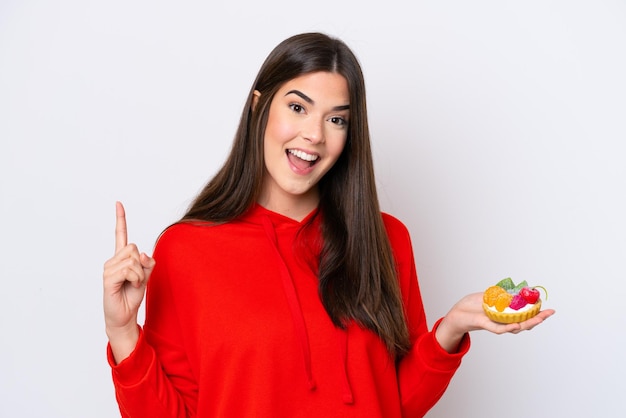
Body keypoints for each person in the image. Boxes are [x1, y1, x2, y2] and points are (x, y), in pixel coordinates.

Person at [103, 32, 554, 418]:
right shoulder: (187, 250)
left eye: (336, 119)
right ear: (259, 107)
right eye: (298, 108)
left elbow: (394, 404)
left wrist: (450, 329)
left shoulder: (385, 239)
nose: (315, 134)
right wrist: (123, 332)